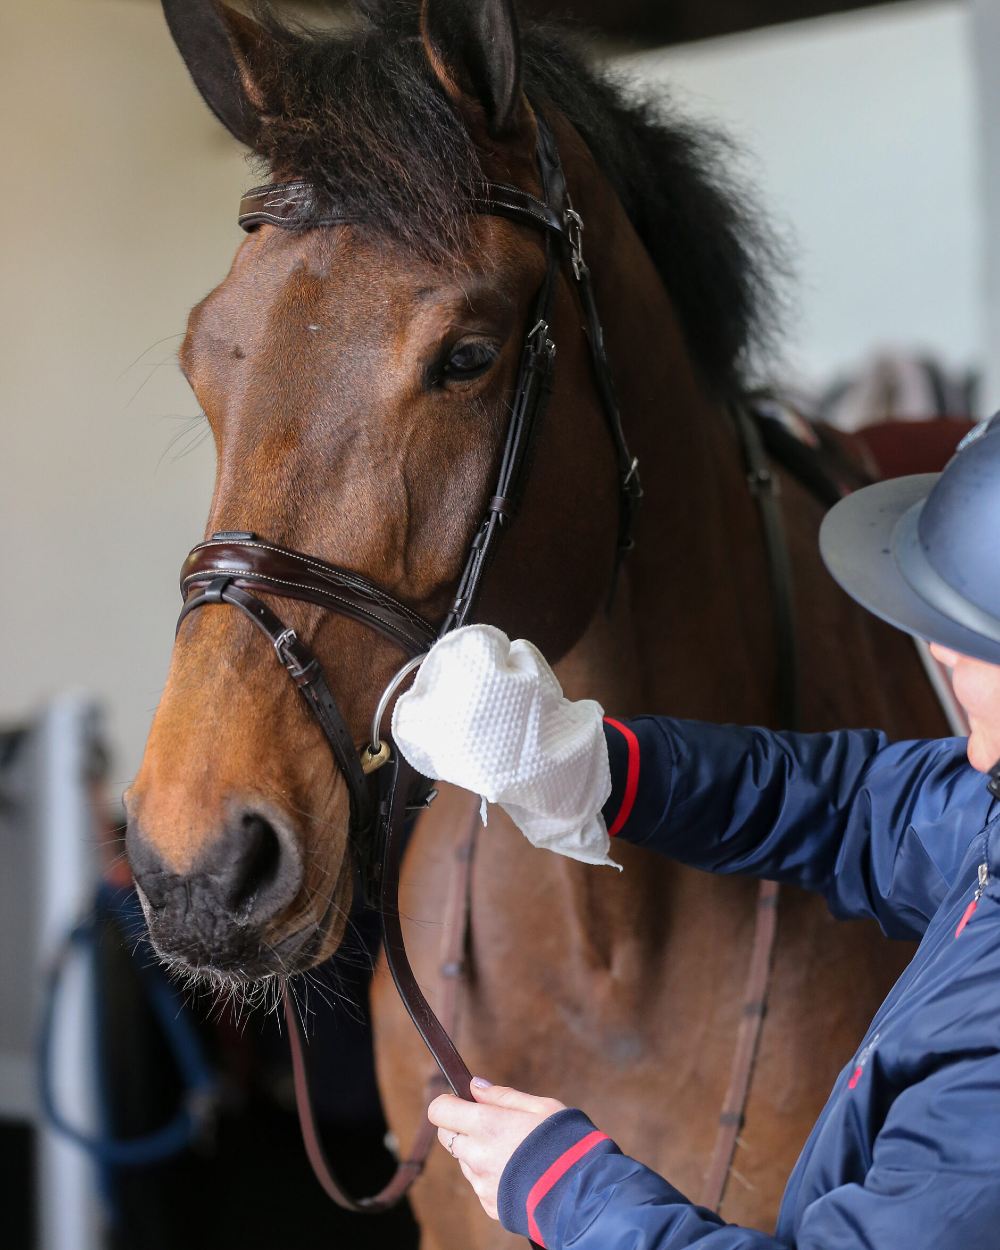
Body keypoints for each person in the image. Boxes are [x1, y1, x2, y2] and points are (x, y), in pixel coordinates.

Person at [390, 415, 1000, 1248]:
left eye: (970, 635)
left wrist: (568, 1191)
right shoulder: (988, 810)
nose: (937, 648)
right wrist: (592, 768)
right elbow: (857, 806)